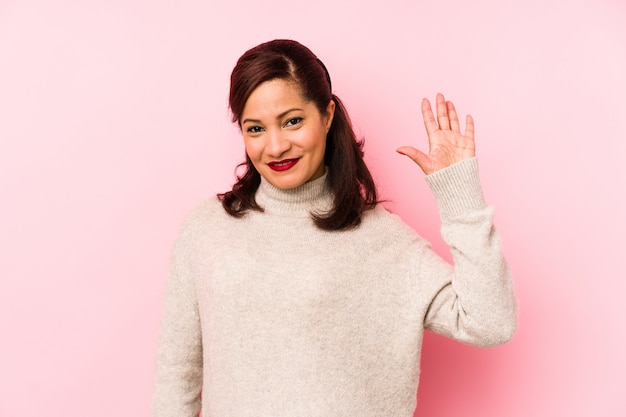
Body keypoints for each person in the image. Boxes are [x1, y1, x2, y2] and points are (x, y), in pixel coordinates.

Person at [152, 39, 516, 417]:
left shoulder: (380, 240)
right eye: (255, 128)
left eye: (292, 121)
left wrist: (460, 195)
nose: (275, 146)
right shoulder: (205, 230)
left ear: (326, 116)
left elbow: (491, 323)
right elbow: (176, 376)